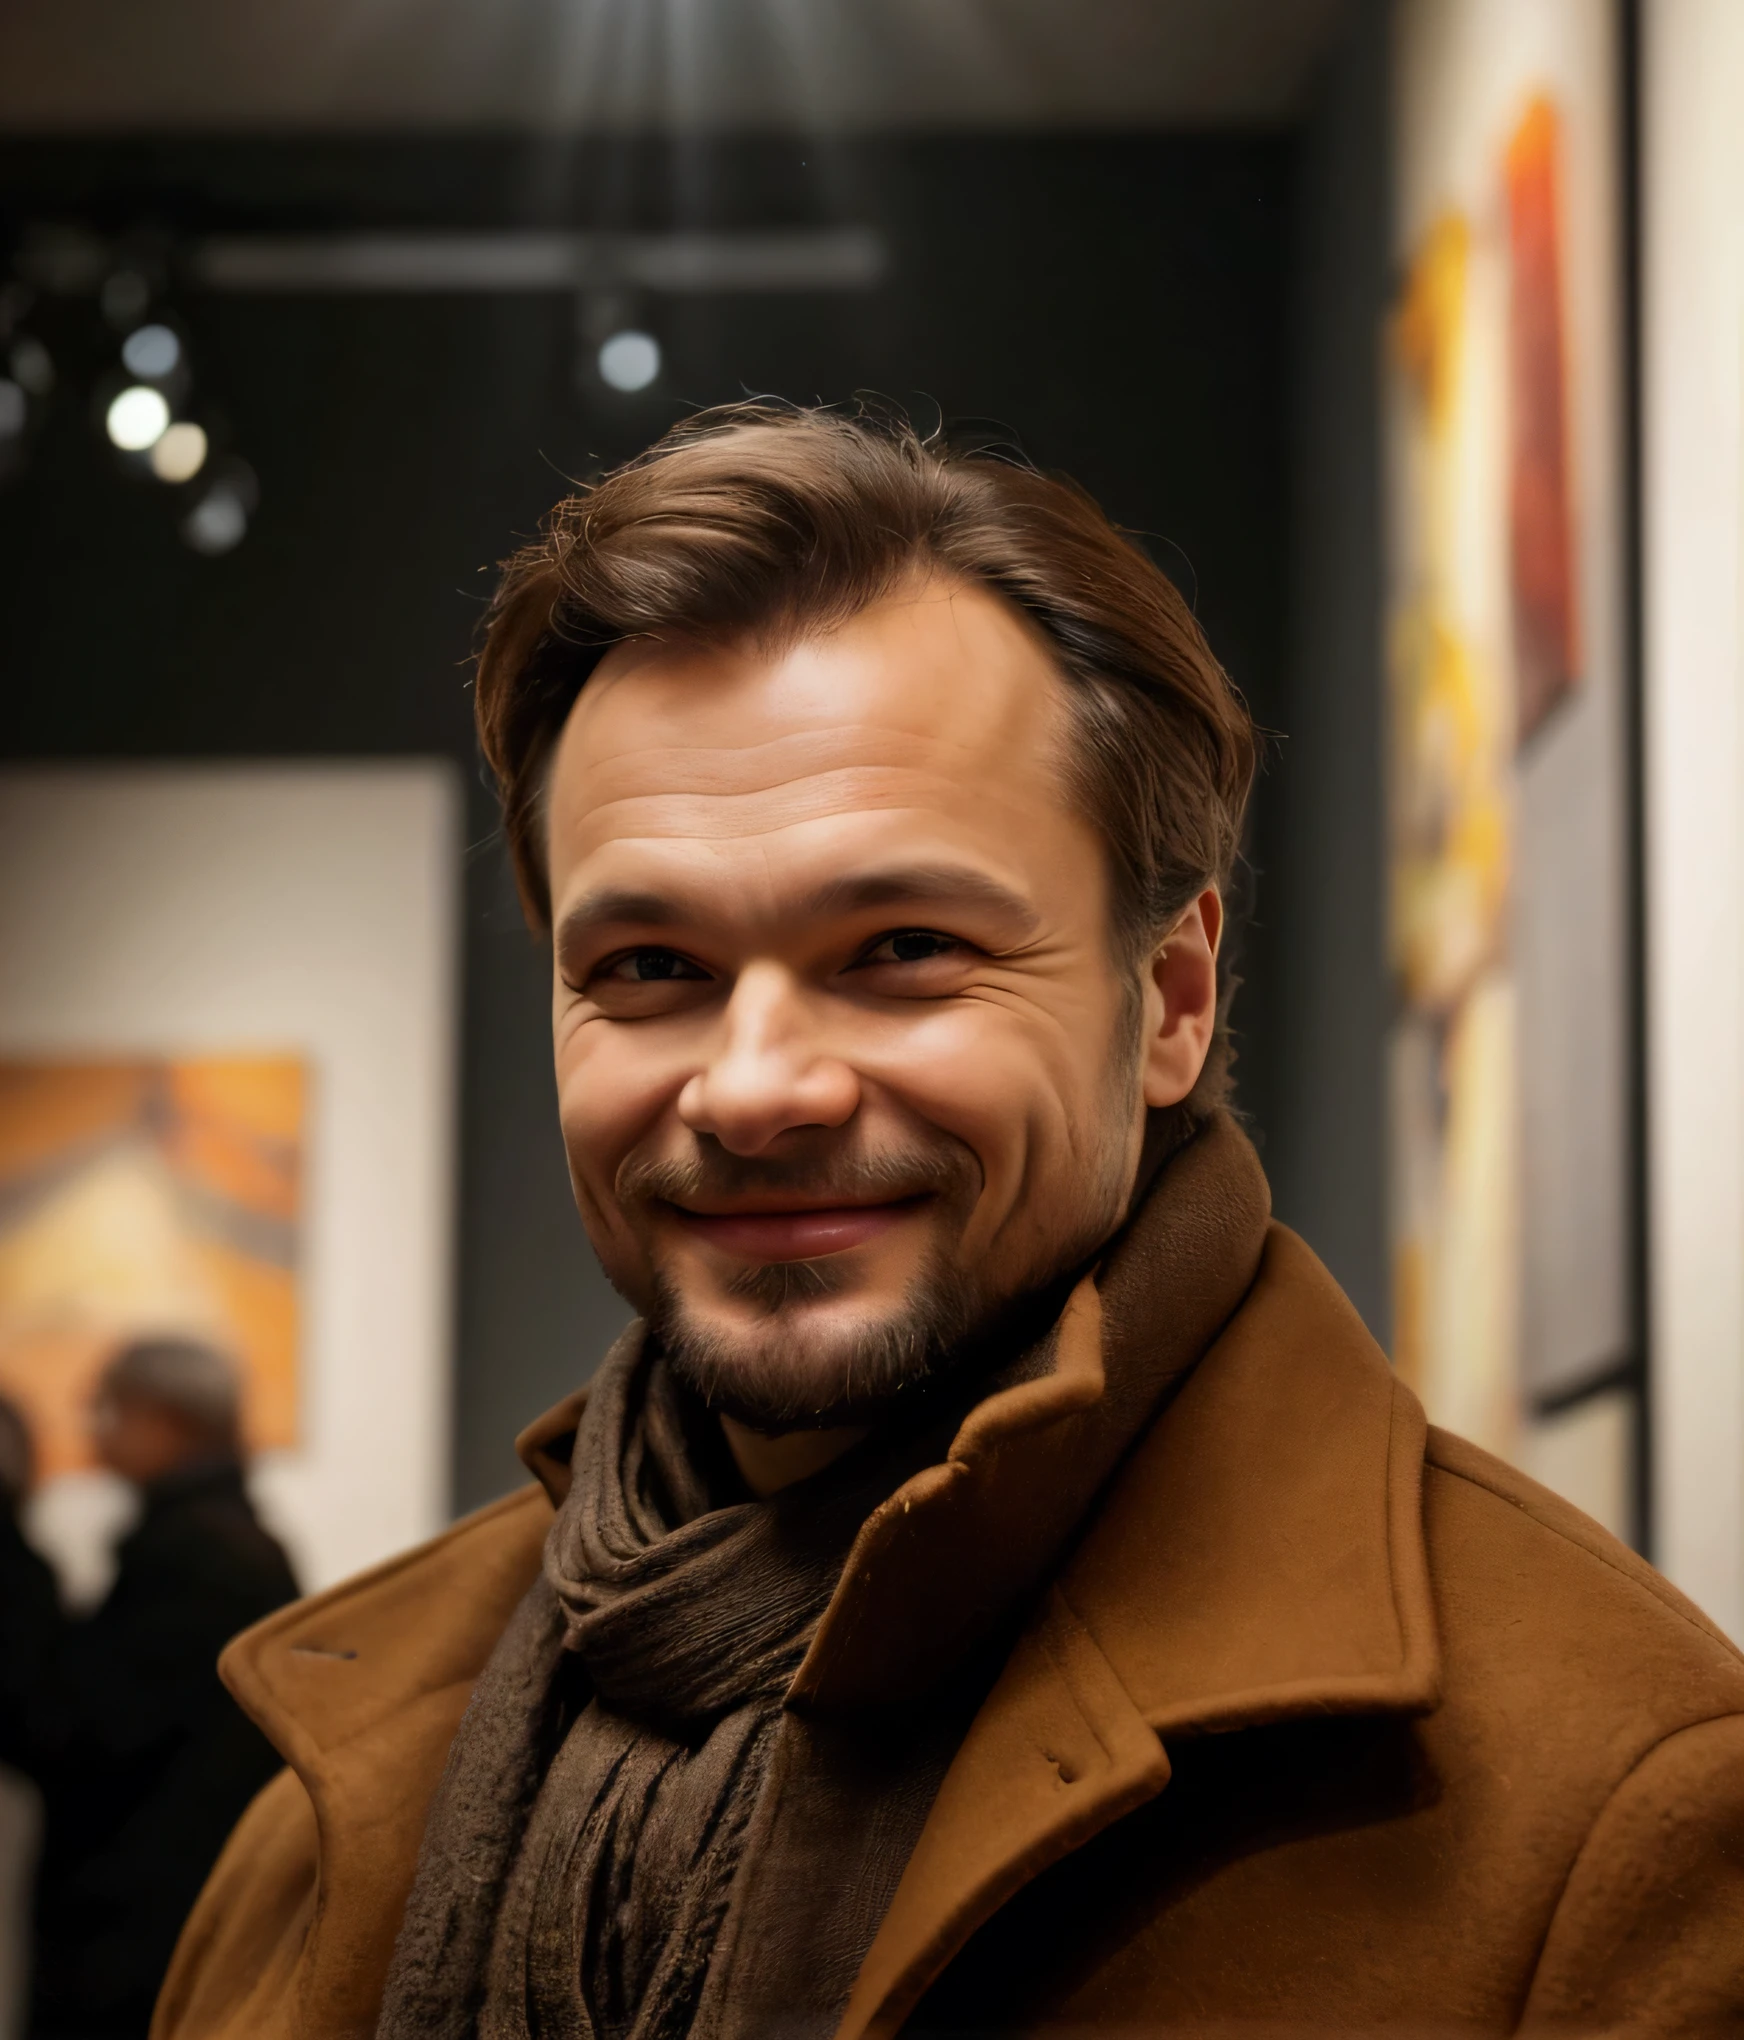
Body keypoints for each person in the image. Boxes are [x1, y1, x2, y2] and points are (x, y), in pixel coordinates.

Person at [160, 403, 1744, 2040]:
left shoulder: (1603, 1813)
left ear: (1173, 998)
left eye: (901, 946)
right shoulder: (327, 1804)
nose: (754, 1085)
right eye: (647, 970)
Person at [0, 1338, 298, 2039]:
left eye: (110, 1409)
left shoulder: (197, 1561)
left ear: (168, 1420)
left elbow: (67, 1729)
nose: (95, 1429)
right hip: (176, 1916)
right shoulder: (226, 1548)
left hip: (145, 1935)